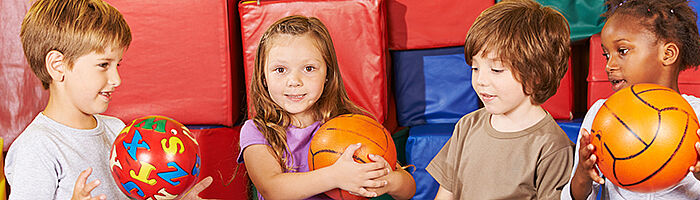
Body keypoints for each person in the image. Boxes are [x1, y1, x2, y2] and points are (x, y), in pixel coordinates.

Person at [5, 0, 212, 199]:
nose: (117, 79)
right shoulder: (37, 147)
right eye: (104, 65)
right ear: (58, 65)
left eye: (117, 65)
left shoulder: (118, 131)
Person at [561, 0, 700, 199]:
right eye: (607, 55)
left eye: (622, 51)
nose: (609, 65)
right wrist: (582, 174)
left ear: (668, 54)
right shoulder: (602, 114)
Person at [238, 15, 415, 200]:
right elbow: (273, 189)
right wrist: (335, 176)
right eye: (280, 70)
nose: (294, 82)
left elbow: (408, 188)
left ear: (328, 74)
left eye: (309, 68)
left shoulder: (348, 124)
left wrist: (389, 180)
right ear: (264, 78)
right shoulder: (257, 131)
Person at [426, 0, 574, 199]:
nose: (481, 80)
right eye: (475, 68)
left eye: (496, 70)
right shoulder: (467, 126)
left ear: (535, 76)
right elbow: (446, 195)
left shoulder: (552, 147)